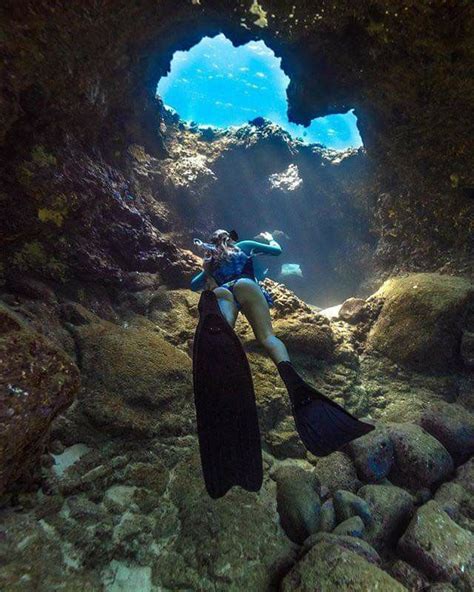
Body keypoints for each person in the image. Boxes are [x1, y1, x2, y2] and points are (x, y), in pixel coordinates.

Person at [191, 228, 374, 463]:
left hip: (223, 291)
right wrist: (270, 239)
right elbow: (277, 252)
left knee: (224, 335)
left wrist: (207, 273)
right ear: (230, 238)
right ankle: (290, 377)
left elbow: (193, 284)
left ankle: (218, 368)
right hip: (247, 286)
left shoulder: (210, 259)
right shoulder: (243, 246)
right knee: (267, 338)